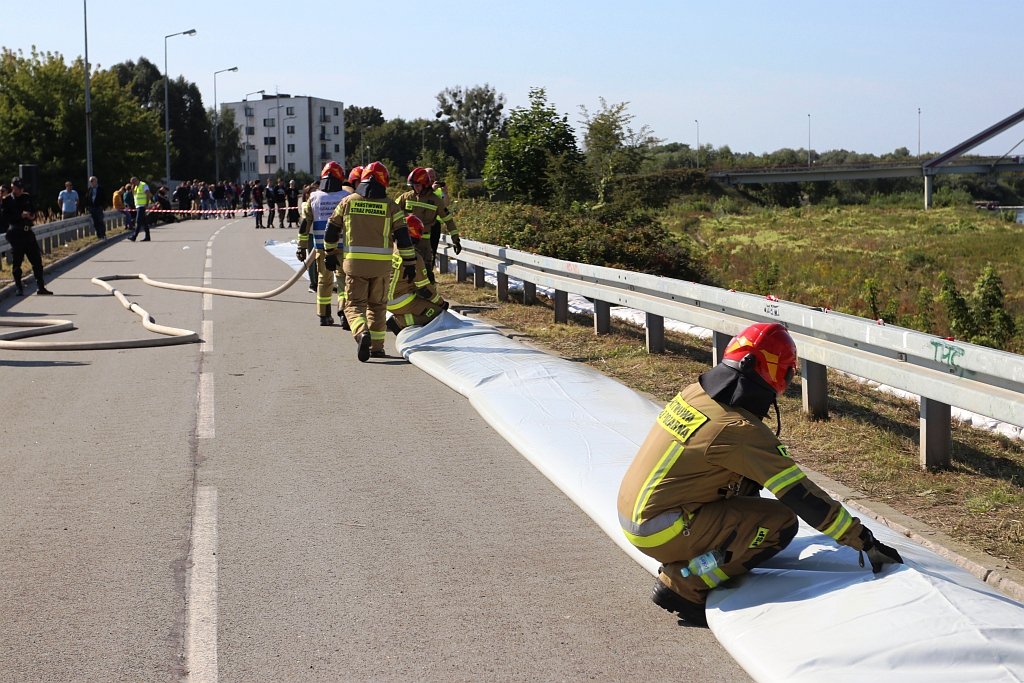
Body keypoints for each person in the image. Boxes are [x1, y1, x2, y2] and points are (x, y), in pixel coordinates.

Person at [617, 322, 904, 627]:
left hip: (635, 514)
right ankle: (685, 584)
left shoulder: (695, 394)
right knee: (779, 523)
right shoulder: (739, 430)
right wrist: (863, 541)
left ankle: (689, 551)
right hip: (662, 530)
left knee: (745, 493)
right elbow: (801, 495)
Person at [325, 161, 416, 361]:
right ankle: (376, 347)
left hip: (354, 265)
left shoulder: (348, 202)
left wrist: (329, 253)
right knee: (377, 306)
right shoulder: (391, 206)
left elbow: (331, 228)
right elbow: (403, 238)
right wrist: (409, 263)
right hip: (382, 267)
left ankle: (360, 332)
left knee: (353, 305)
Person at [297, 162, 351, 326]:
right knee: (344, 280)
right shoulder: (346, 197)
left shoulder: (314, 197)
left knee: (324, 281)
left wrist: (301, 246)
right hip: (343, 247)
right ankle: (344, 313)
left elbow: (305, 224)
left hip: (321, 248)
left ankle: (323, 315)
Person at [385, 214, 448, 333]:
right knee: (436, 313)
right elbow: (424, 288)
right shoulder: (414, 257)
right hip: (401, 300)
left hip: (382, 297)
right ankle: (399, 322)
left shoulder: (389, 249)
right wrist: (441, 303)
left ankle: (400, 318)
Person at [397, 167, 460, 283]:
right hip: (405, 243)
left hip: (425, 245)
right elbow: (391, 213)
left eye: (418, 185)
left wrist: (456, 239)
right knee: (403, 275)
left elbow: (448, 220)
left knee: (426, 277)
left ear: (425, 184)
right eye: (413, 185)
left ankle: (429, 299)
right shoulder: (406, 197)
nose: (415, 187)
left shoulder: (435, 200)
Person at [3, 177, 53, 295]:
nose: (18, 190)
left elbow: (33, 211)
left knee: (36, 260)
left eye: (20, 188)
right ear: (12, 187)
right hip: (16, 234)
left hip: (28, 233)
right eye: (16, 188)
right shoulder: (7, 200)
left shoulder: (27, 197)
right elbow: (5, 218)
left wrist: (32, 216)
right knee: (17, 262)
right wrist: (20, 215)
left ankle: (41, 286)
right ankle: (19, 288)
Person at [129, 176, 152, 241]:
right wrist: (133, 188)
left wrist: (147, 204)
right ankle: (148, 237)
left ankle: (134, 236)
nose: (132, 184)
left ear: (136, 180)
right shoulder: (136, 187)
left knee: (138, 221)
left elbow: (148, 194)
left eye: (133, 182)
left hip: (142, 206)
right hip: (138, 206)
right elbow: (135, 195)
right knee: (144, 222)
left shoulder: (143, 185)